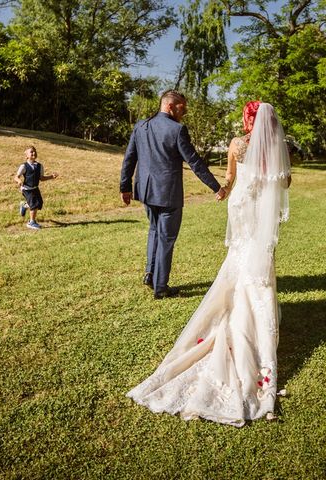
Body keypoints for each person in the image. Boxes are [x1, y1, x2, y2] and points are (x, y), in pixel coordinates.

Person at [127, 102, 292, 427]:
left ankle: (230, 313)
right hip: (260, 212)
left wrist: (223, 189)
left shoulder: (236, 145)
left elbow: (230, 177)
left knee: (238, 259)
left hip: (241, 207)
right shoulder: (278, 147)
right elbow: (284, 183)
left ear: (247, 121)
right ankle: (253, 325)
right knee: (258, 265)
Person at [120, 90, 227, 299]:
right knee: (166, 238)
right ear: (170, 105)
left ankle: (150, 274)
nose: (184, 111)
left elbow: (129, 159)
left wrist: (125, 187)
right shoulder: (177, 130)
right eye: (182, 107)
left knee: (154, 231)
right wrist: (216, 187)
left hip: (146, 190)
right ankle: (161, 287)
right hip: (168, 194)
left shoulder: (141, 125)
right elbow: (194, 162)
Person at [14, 146, 58, 230]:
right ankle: (31, 222)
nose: (34, 153)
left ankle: (24, 205)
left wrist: (51, 177)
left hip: (35, 188)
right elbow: (16, 177)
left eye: (35, 151)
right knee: (34, 205)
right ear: (26, 156)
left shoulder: (39, 166)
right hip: (26, 189)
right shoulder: (24, 166)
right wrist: (19, 181)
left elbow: (41, 178)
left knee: (39, 203)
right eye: (31, 152)